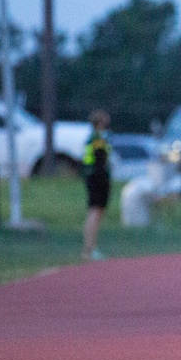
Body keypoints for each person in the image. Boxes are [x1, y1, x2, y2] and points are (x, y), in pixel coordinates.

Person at [82, 109, 112, 261]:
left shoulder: (92, 138)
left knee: (95, 212)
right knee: (95, 211)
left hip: (92, 177)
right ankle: (89, 248)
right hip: (97, 178)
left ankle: (90, 247)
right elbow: (100, 160)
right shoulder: (98, 139)